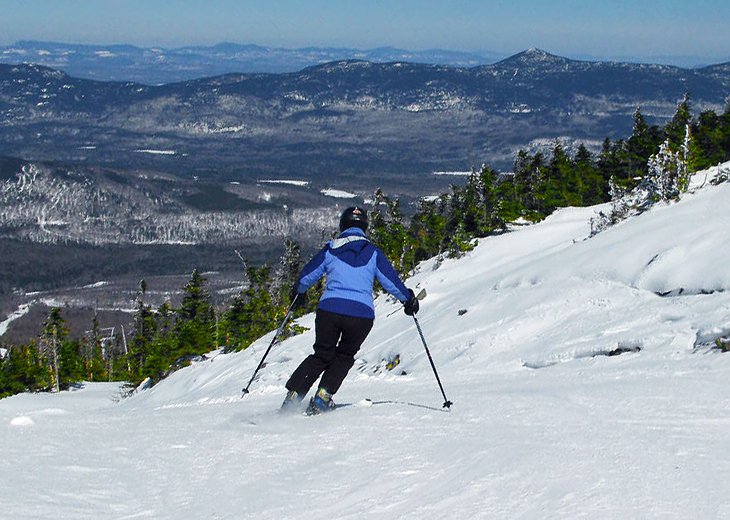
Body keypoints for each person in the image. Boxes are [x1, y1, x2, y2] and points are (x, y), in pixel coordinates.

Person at [282, 206, 420, 414]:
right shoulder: (373, 253)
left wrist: (298, 293)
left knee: (321, 354)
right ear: (364, 227)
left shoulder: (331, 249)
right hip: (361, 315)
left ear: (343, 225)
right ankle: (323, 397)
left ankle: (294, 396)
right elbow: (391, 282)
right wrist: (408, 300)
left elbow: (306, 277)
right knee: (345, 355)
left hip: (330, 311)